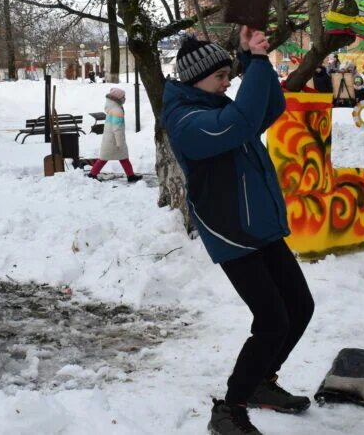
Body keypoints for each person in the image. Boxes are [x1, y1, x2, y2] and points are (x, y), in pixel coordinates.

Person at [162, 27, 313, 435]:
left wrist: (251, 60)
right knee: (271, 320)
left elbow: (269, 107)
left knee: (300, 308)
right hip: (232, 231)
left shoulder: (213, 106)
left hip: (259, 224)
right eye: (220, 77)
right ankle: (230, 409)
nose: (227, 83)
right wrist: (257, 62)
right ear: (196, 79)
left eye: (230, 75)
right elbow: (243, 118)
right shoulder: (187, 121)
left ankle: (263, 381)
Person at [87, 88, 142, 182]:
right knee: (113, 158)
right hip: (114, 140)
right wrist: (120, 142)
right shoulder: (117, 110)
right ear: (118, 98)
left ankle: (93, 174)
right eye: (123, 97)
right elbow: (117, 128)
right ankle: (92, 174)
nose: (124, 98)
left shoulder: (112, 108)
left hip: (109, 139)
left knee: (117, 158)